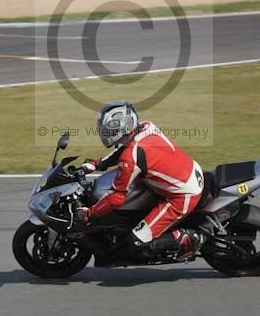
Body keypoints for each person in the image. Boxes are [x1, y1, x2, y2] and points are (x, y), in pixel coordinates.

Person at [78, 101, 205, 257]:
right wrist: (97, 164)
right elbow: (126, 150)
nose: (104, 132)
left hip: (182, 195)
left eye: (108, 129)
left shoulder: (131, 157)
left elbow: (116, 198)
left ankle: (189, 238)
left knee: (137, 241)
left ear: (123, 127)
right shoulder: (145, 126)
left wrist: (90, 213)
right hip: (190, 170)